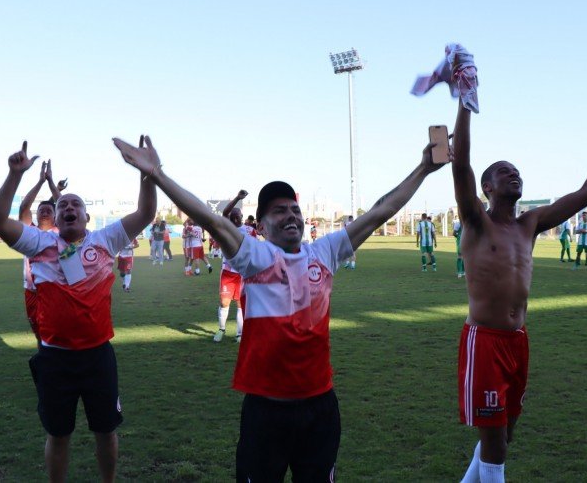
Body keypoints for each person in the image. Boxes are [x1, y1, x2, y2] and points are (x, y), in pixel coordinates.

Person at [112, 134, 445, 482]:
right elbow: (211, 219)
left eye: (295, 209)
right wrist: (158, 175)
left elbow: (381, 211)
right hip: (266, 411)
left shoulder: (324, 253)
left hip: (320, 408)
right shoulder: (255, 257)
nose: (291, 216)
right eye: (279, 210)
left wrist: (423, 168)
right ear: (262, 223)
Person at [451, 91, 587, 483]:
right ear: (486, 187)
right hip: (484, 340)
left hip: (518, 341)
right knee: (496, 447)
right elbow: (461, 162)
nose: (514, 174)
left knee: (504, 435)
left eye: (517, 170)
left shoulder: (529, 224)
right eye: (504, 171)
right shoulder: (476, 222)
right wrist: (465, 104)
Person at [0, 139, 156, 482]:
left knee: (106, 431)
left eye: (75, 204)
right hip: (55, 359)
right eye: (62, 204)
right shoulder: (40, 243)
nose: (67, 208)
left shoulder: (105, 240)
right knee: (58, 434)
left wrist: (146, 174)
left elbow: (145, 214)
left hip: (97, 356)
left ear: (86, 216)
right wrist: (14, 175)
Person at [18, 159, 63, 344]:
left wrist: (52, 182)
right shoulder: (30, 232)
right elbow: (24, 207)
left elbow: (63, 203)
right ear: (36, 215)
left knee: (57, 333)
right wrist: (40, 182)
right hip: (32, 291)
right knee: (38, 333)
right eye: (41, 210)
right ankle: (44, 362)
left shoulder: (62, 233)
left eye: (48, 210)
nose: (44, 212)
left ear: (55, 216)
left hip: (56, 290)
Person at [214, 189, 256, 343]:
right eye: (233, 216)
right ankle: (221, 329)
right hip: (227, 272)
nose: (236, 218)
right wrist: (238, 198)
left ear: (242, 217)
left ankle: (239, 334)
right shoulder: (226, 228)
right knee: (224, 302)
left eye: (238, 216)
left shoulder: (250, 230)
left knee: (240, 303)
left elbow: (254, 248)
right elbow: (225, 212)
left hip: (242, 273)